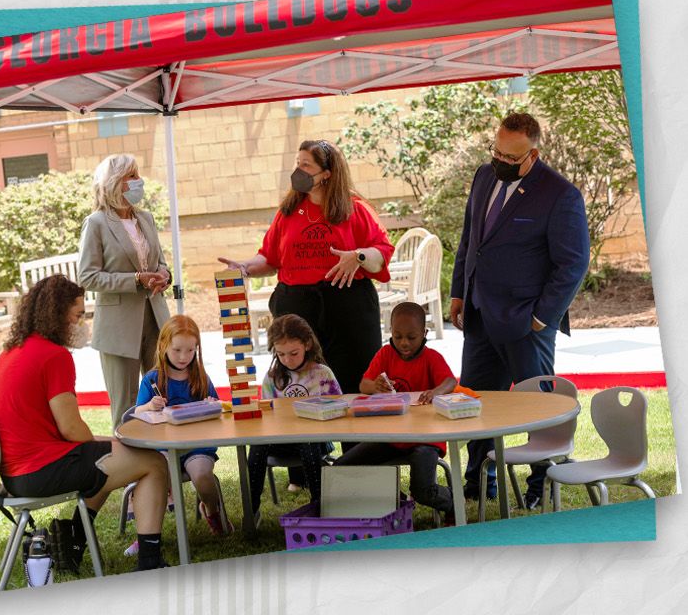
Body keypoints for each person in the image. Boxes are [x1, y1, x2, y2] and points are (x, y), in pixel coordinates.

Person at [449, 108, 590, 508]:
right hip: (478, 314)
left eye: (512, 159)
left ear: (533, 154)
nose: (501, 163)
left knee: (538, 406)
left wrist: (541, 318)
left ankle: (542, 483)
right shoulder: (482, 176)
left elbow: (573, 263)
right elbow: (469, 241)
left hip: (526, 322)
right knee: (475, 403)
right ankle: (480, 479)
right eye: (497, 152)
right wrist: (459, 292)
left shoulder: (561, 195)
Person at [0, 272, 170, 575]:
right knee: (152, 462)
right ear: (57, 316)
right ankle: (149, 561)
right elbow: (71, 428)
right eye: (77, 316)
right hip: (41, 470)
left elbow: (64, 431)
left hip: (16, 474)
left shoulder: (11, 352)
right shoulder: (54, 356)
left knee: (108, 457)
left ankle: (74, 540)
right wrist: (106, 443)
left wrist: (105, 444)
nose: (80, 324)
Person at [239, 138, 394, 397]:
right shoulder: (288, 212)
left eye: (306, 165)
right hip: (298, 310)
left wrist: (358, 256)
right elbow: (269, 257)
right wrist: (244, 266)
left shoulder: (354, 209)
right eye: (297, 163)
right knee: (301, 387)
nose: (298, 171)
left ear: (326, 174)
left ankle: (358, 439)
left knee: (353, 382)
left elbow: (382, 253)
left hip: (347, 308)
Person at [77, 152, 171, 428]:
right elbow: (88, 277)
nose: (139, 181)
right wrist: (135, 279)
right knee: (127, 406)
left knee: (163, 398)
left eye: (137, 174)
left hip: (156, 318)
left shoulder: (146, 218)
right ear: (115, 183)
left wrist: (164, 275)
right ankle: (129, 469)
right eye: (132, 176)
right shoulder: (96, 223)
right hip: (118, 328)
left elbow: (160, 261)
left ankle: (165, 465)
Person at [129, 317, 229, 538]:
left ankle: (212, 512)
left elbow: (219, 409)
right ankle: (147, 536)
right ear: (163, 345)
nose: (184, 357)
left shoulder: (200, 376)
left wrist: (213, 405)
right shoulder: (152, 379)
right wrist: (149, 405)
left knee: (202, 476)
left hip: (197, 448)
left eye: (190, 350)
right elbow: (136, 414)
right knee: (154, 481)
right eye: (177, 350)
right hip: (163, 450)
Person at [359, 300, 457, 520]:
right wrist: (375, 386)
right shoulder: (385, 354)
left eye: (411, 337)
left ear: (424, 333)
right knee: (343, 467)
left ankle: (453, 502)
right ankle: (396, 501)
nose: (403, 343)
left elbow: (450, 381)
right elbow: (363, 384)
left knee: (422, 491)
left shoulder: (431, 357)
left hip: (425, 440)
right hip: (390, 437)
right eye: (397, 336)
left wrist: (435, 391)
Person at [247, 314, 342, 522]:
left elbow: (338, 409)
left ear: (307, 344)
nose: (287, 360)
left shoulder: (322, 374)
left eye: (293, 353)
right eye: (281, 354)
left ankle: (320, 505)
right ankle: (251, 509)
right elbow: (265, 415)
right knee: (257, 446)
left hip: (316, 441)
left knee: (307, 441)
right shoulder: (273, 377)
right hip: (282, 441)